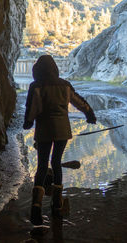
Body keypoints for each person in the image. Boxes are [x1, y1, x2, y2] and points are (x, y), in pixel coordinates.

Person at [23, 55, 96, 225]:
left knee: (42, 166)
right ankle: (57, 204)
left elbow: (32, 108)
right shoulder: (65, 85)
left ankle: (36, 208)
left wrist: (28, 122)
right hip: (63, 130)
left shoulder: (36, 86)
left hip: (44, 130)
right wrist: (90, 115)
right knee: (56, 162)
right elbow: (79, 102)